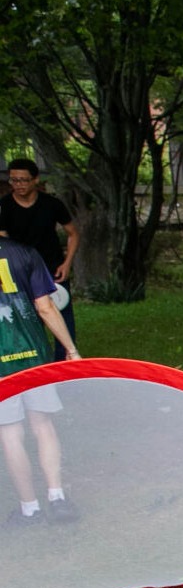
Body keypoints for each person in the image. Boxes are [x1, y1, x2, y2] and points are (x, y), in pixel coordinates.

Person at [0, 232, 82, 527]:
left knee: (10, 433)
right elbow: (45, 306)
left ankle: (29, 508)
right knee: (43, 425)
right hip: (34, 356)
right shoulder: (25, 252)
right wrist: (70, 349)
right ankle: (56, 497)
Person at [1, 158, 80, 362]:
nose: (19, 185)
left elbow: (73, 233)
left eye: (24, 180)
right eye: (14, 180)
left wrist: (67, 263)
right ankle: (31, 362)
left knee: (60, 316)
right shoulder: (4, 206)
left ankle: (66, 362)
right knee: (26, 319)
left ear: (35, 180)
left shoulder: (52, 204)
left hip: (53, 270)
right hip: (19, 272)